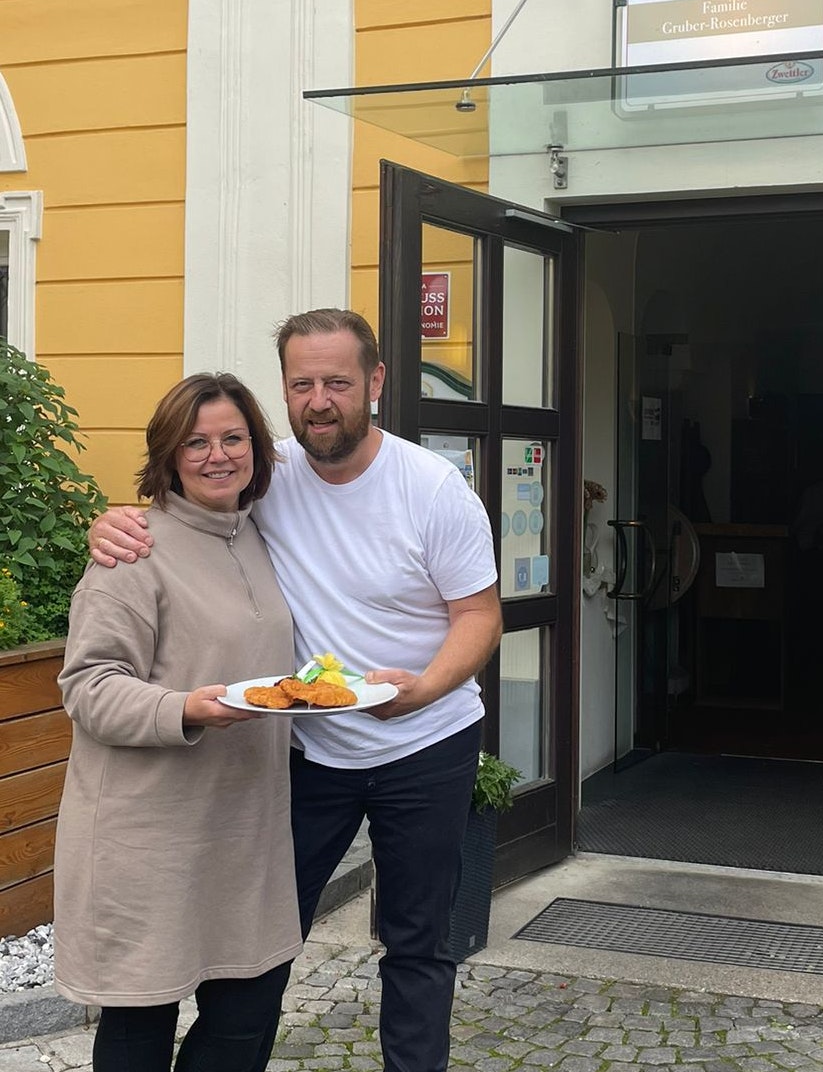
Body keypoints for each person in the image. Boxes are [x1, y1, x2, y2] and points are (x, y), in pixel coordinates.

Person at [89, 308, 503, 1072]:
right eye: (302, 383)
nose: (320, 401)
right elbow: (182, 501)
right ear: (284, 388)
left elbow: (479, 614)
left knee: (418, 942)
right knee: (265, 941)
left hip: (426, 742)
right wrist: (109, 523)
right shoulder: (263, 474)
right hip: (309, 751)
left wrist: (426, 689)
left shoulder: (433, 487)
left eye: (338, 382)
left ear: (375, 383)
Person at [56, 373, 302, 1072]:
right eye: (195, 442)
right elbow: (89, 687)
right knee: (141, 1027)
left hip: (240, 831)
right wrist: (184, 708)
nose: (217, 455)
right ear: (167, 454)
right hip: (147, 840)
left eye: (233, 438)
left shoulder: (255, 536)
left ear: (256, 448)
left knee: (245, 1016)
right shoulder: (132, 555)